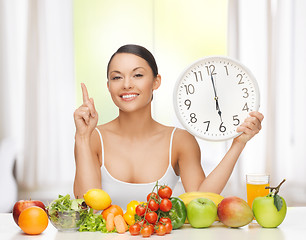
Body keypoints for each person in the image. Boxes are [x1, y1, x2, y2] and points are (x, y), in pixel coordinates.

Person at [73, 44, 264, 208]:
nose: (127, 84)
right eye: (117, 77)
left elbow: (201, 200)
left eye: (138, 75)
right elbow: (86, 205)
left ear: (156, 82)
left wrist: (238, 143)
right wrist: (81, 137)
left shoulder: (180, 141)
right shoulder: (91, 137)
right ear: (108, 86)